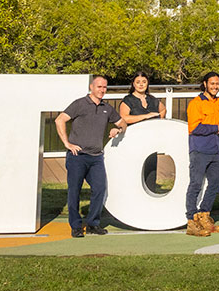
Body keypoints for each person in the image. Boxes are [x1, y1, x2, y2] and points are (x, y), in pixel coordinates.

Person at [55, 74, 123, 238]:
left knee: (100, 189)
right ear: (91, 87)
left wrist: (118, 129)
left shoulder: (107, 108)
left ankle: (93, 223)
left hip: (96, 158)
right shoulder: (79, 104)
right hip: (77, 156)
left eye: (105, 87)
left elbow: (122, 122)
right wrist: (67, 143)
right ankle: (76, 226)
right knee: (74, 191)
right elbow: (59, 120)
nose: (102, 90)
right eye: (99, 86)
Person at [185, 71, 219, 236]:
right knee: (196, 185)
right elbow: (195, 128)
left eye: (217, 84)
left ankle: (204, 215)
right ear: (205, 84)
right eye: (212, 83)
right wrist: (216, 128)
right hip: (200, 150)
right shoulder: (195, 103)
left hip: (215, 150)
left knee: (215, 184)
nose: (215, 87)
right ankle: (192, 221)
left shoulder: (218, 102)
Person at [117, 70, 168, 189]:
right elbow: (124, 118)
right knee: (135, 170)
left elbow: (163, 109)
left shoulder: (152, 99)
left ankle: (150, 192)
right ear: (133, 84)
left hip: (151, 141)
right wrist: (146, 116)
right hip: (134, 141)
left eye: (144, 82)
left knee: (150, 171)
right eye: (138, 82)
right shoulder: (128, 100)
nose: (141, 84)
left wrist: (158, 119)